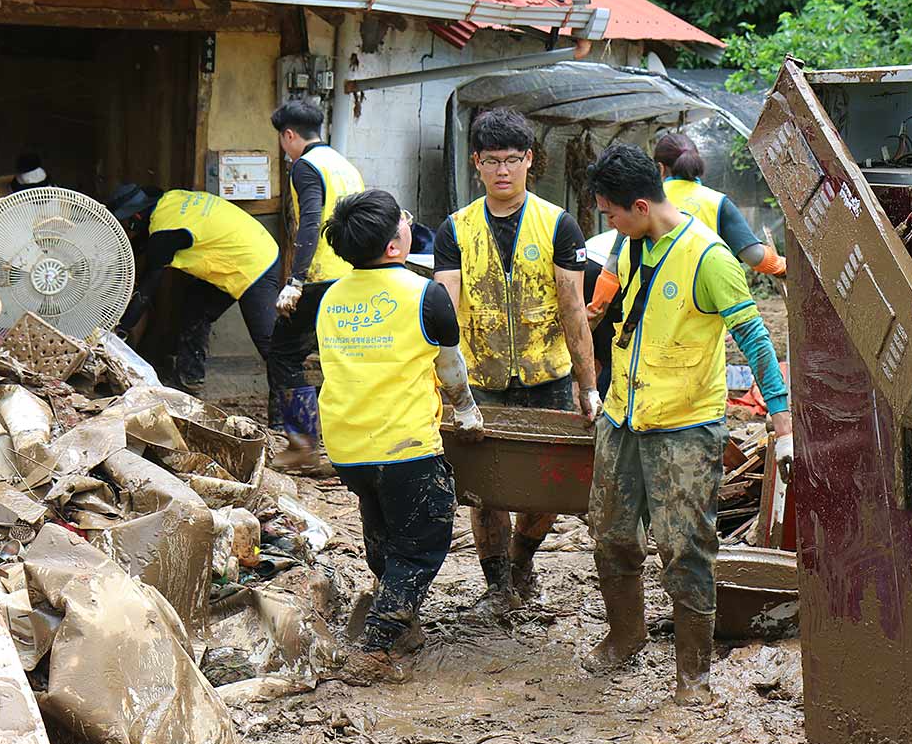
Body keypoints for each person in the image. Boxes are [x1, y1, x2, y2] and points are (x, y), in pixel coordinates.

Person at [582, 143, 795, 704]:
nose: (607, 223)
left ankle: (693, 676)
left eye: (609, 212)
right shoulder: (632, 245)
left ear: (639, 205)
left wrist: (780, 416)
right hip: (621, 416)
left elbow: (755, 339)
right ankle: (625, 637)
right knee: (609, 533)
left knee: (685, 546)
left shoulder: (710, 258)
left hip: (685, 426)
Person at [315, 188, 485, 684]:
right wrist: (468, 413)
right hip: (405, 444)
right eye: (403, 221)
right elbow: (450, 369)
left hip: (347, 444)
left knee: (383, 526)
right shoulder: (425, 294)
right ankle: (377, 645)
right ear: (395, 245)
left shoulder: (329, 298)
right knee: (422, 539)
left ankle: (403, 622)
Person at [433, 108, 599, 607]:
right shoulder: (455, 229)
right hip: (479, 378)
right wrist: (450, 386)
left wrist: (588, 385)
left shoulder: (559, 225)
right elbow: (445, 310)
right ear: (476, 165)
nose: (502, 171)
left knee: (547, 488)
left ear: (530, 160)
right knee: (485, 489)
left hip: (547, 374)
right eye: (491, 161)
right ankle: (498, 585)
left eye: (512, 160)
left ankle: (523, 555)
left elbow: (573, 309)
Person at [107, 184, 281, 399]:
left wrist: (120, 330)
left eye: (127, 223)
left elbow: (146, 290)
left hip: (255, 263)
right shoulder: (171, 199)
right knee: (195, 308)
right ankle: (190, 381)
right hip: (252, 244)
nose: (128, 228)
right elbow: (143, 243)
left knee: (269, 344)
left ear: (137, 217)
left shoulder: (164, 232)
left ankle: (286, 415)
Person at [588, 132, 785, 320]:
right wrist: (782, 266)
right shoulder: (717, 202)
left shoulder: (642, 201)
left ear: (660, 168)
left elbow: (613, 266)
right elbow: (754, 257)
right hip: (696, 312)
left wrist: (596, 310)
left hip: (647, 314)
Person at [268, 98, 366, 470]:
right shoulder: (344, 165)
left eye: (282, 140)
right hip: (352, 276)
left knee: (284, 354)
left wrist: (295, 278)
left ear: (289, 135)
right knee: (339, 360)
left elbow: (310, 222)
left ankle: (302, 446)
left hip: (319, 277)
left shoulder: (305, 167)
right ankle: (347, 447)